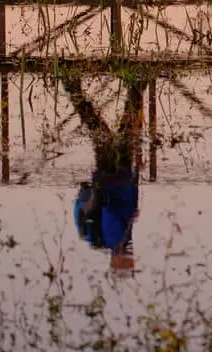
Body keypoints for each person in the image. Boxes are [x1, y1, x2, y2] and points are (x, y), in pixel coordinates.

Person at [64, 73, 142, 273]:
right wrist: (135, 178)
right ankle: (137, 83)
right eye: (130, 258)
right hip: (120, 177)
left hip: (111, 177)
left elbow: (109, 210)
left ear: (117, 258)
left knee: (102, 131)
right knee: (120, 129)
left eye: (127, 259)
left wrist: (129, 214)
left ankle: (73, 87)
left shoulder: (115, 238)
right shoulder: (122, 239)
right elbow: (130, 201)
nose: (130, 255)